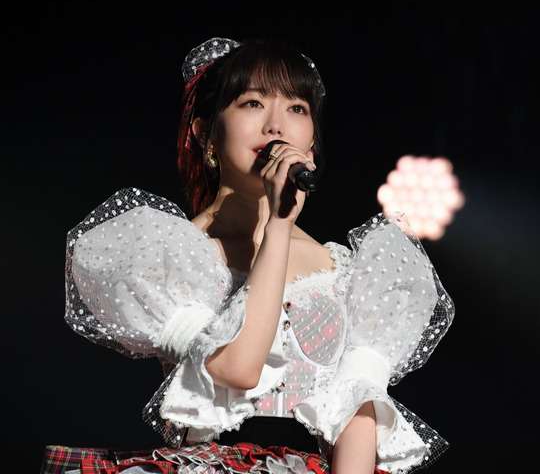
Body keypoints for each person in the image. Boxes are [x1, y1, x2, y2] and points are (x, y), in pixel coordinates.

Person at [42, 37, 455, 474]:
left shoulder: (345, 272)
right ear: (205, 134)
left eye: (296, 108)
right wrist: (278, 226)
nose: (276, 125)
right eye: (253, 103)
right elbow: (238, 369)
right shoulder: (170, 255)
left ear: (311, 144)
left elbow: (358, 412)